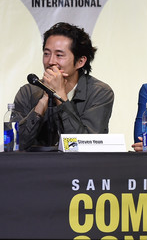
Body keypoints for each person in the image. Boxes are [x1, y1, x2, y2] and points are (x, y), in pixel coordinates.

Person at [12, 22, 114, 151]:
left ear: (80, 61)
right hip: (36, 168)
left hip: (80, 169)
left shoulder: (100, 93)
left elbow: (84, 147)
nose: (50, 62)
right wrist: (43, 100)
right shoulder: (28, 91)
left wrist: (60, 95)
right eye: (46, 53)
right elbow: (15, 145)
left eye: (59, 55)